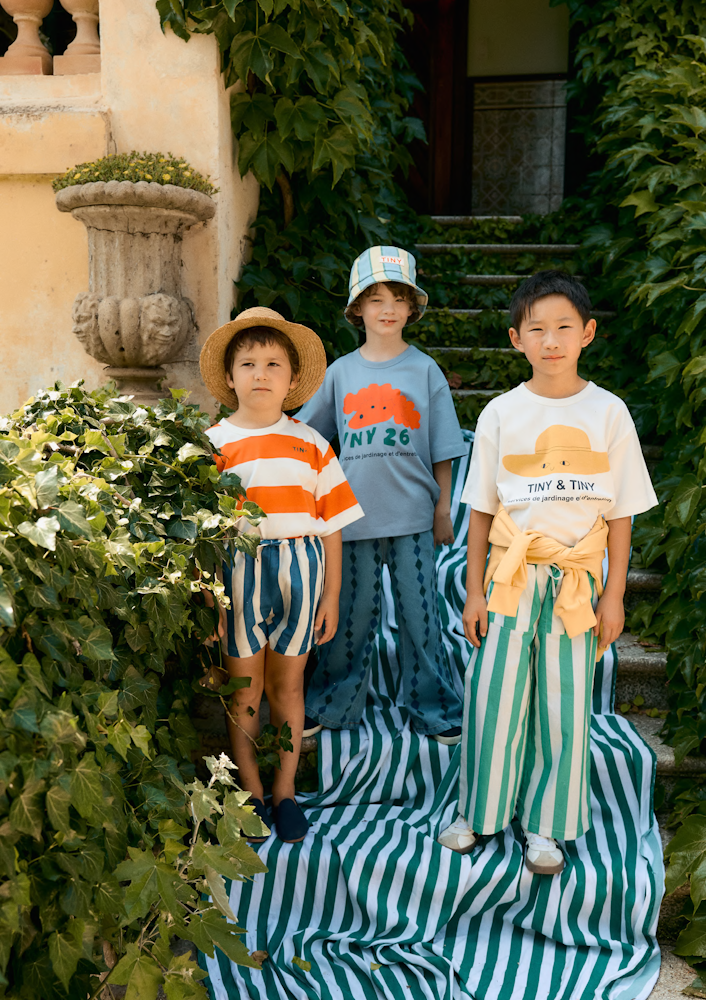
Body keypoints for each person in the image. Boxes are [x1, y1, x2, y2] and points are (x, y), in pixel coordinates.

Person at [437, 270, 658, 874]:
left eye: (564, 327)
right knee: (495, 697)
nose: (551, 340)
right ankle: (479, 812)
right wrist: (474, 591)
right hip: (511, 577)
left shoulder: (608, 413)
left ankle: (547, 826)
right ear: (516, 339)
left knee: (563, 703)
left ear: (587, 333)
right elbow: (480, 512)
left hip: (577, 584)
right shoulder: (501, 414)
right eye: (537, 329)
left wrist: (613, 597)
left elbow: (622, 517)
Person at [199, 306, 364, 844]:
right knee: (243, 687)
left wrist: (333, 594)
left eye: (273, 364)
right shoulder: (213, 445)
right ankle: (248, 793)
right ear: (229, 377)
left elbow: (333, 526)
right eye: (248, 363)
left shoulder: (312, 444)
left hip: (302, 571)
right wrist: (209, 598)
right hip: (238, 572)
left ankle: (286, 791)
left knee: (287, 685)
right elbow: (202, 534)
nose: (261, 374)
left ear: (293, 380)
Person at [297, 246, 466, 743]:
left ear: (412, 307)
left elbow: (444, 446)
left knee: (422, 618)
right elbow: (309, 437)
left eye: (398, 297)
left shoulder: (425, 371)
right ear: (357, 309)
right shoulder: (341, 373)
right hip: (352, 521)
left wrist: (442, 506)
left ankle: (433, 706)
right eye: (374, 298)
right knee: (350, 618)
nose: (387, 307)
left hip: (413, 518)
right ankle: (331, 702)